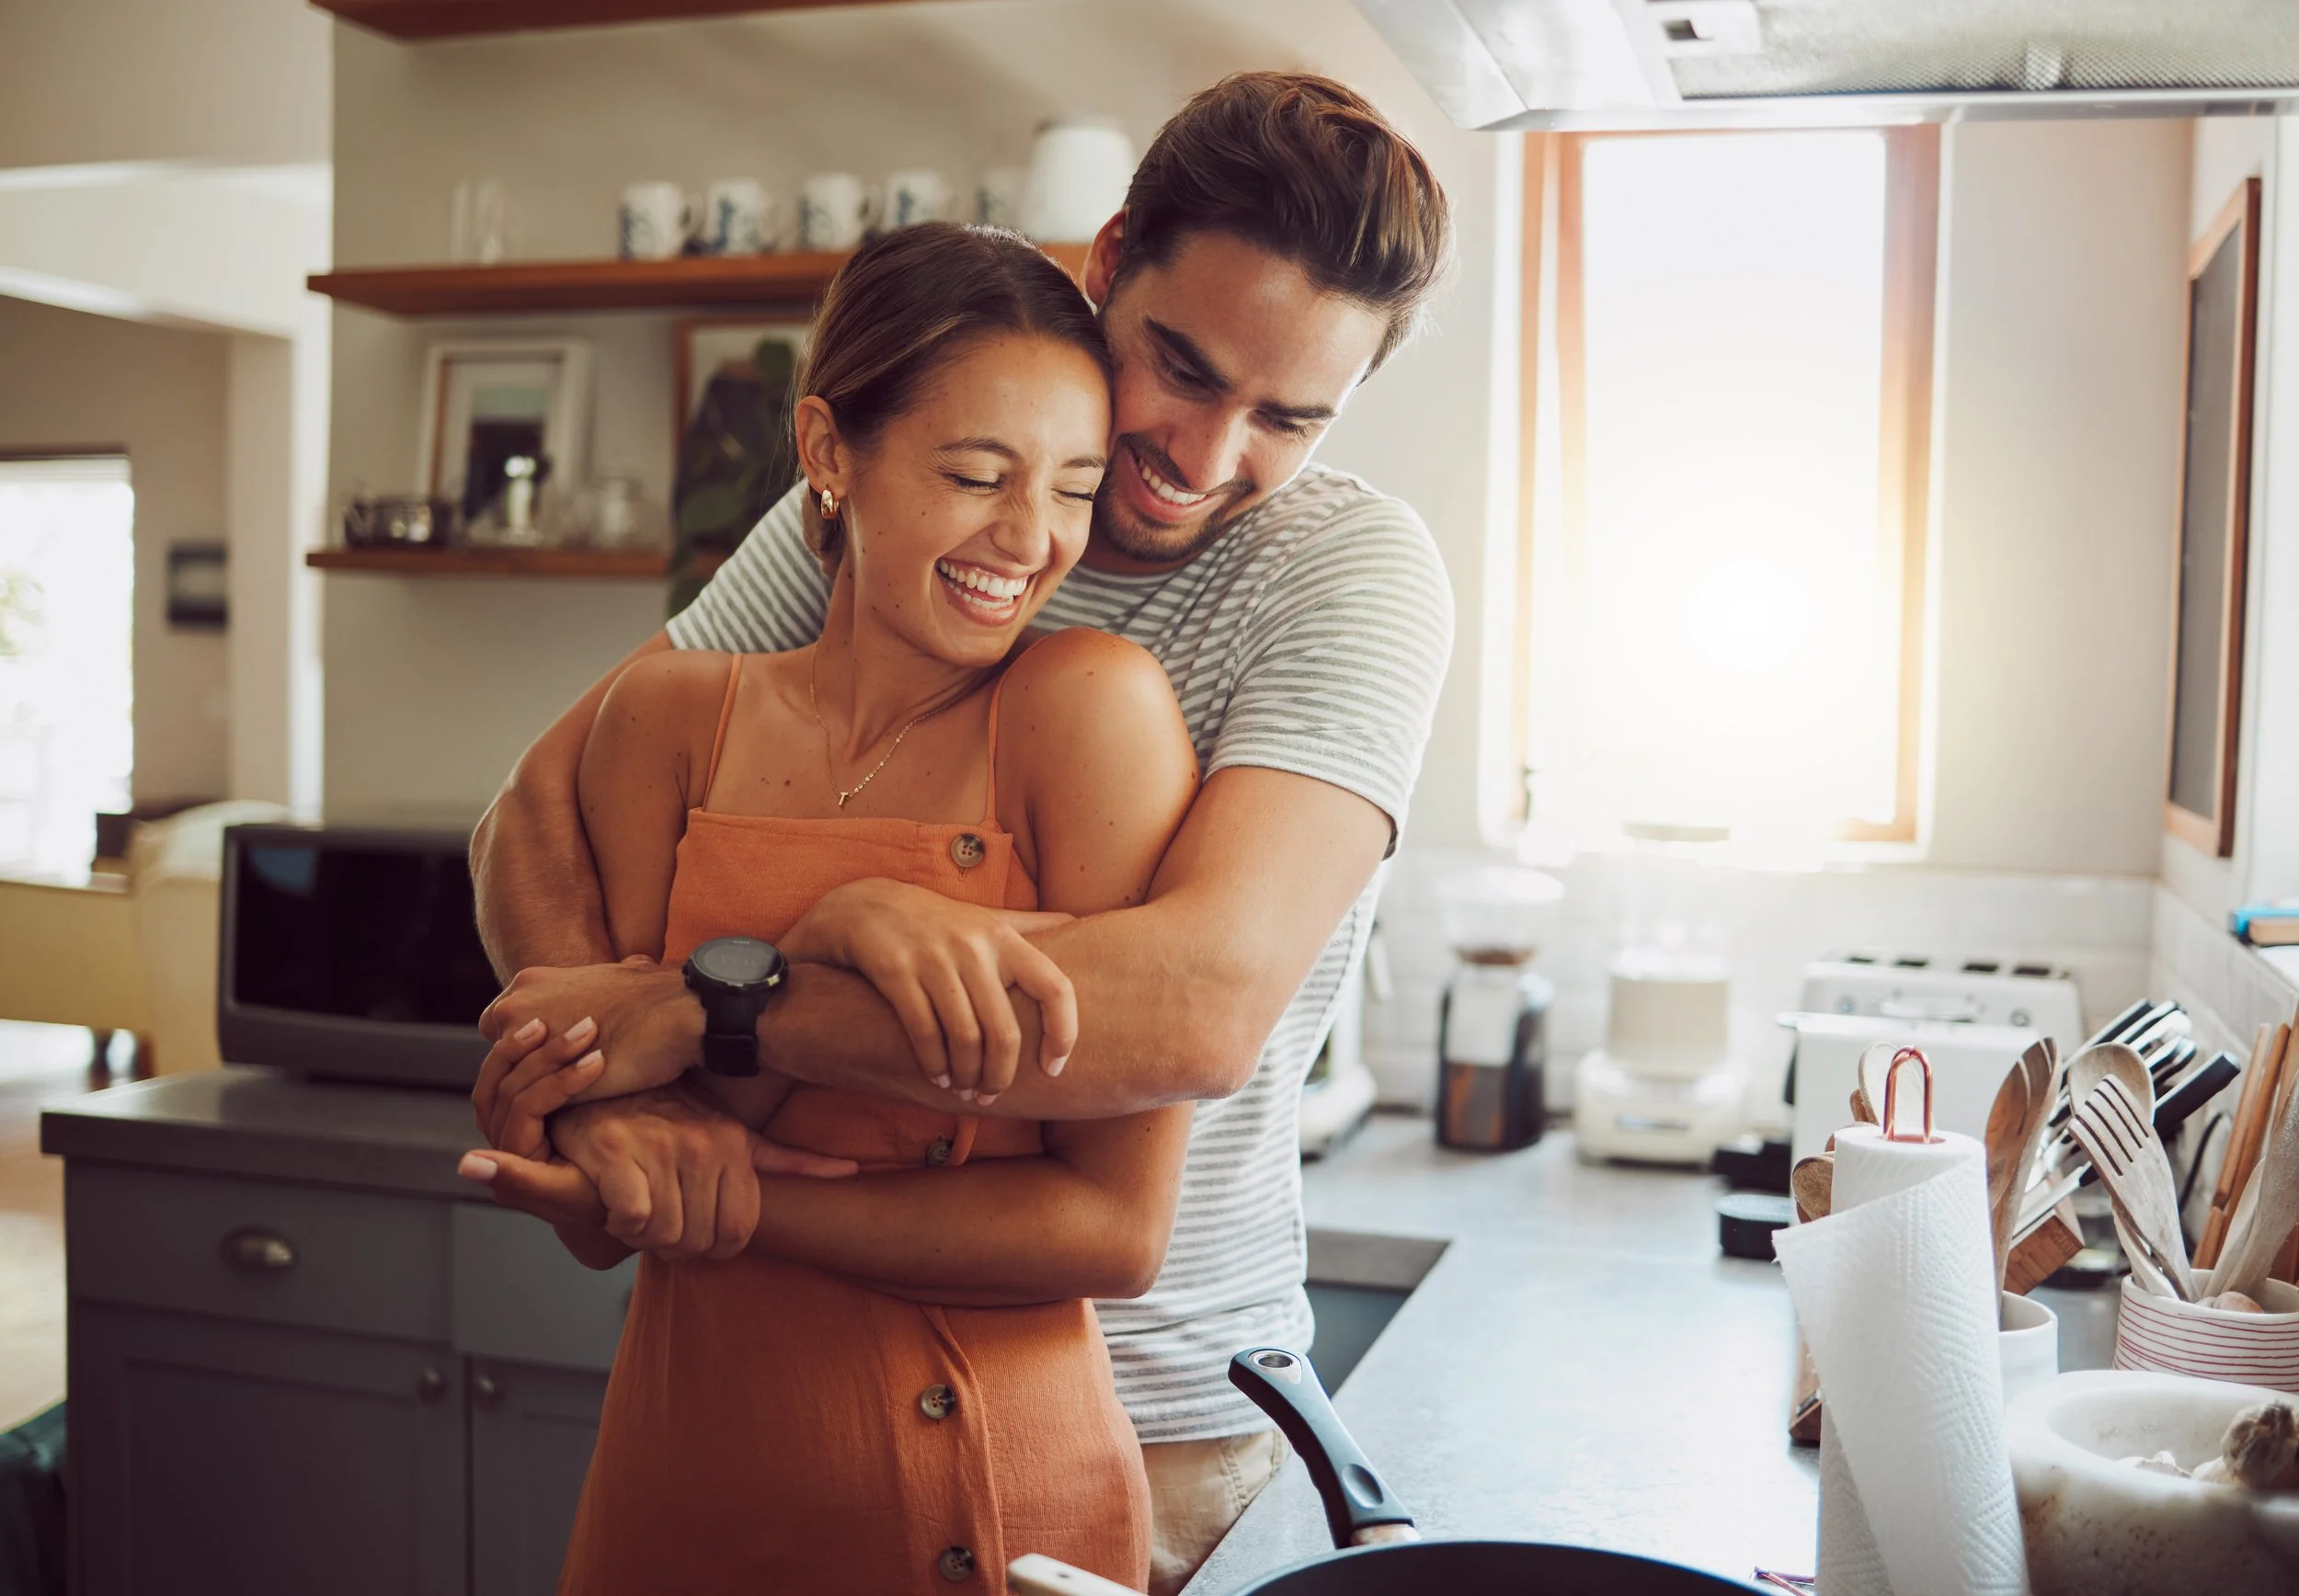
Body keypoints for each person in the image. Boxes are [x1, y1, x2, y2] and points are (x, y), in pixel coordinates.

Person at [464, 71, 1455, 1595]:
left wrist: (711, 1009)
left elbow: (1193, 1007)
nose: (1202, 452)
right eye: (1181, 369)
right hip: (784, 1377)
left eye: (1288, 419)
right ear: (1109, 261)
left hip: (1165, 1418)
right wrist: (606, 1109)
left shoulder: (1346, 576)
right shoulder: (933, 491)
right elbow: (539, 810)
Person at [505, 221, 1199, 1592]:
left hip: (1001, 1501)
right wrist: (810, 943)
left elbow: (1113, 1231)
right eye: (975, 474)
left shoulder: (1087, 715)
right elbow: (614, 1197)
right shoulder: (664, 721)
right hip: (683, 1484)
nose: (1031, 538)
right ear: (829, 452)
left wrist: (739, 1200)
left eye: (1070, 486)